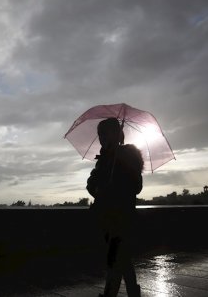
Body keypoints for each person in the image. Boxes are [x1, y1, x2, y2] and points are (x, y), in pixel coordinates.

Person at [87, 117, 143, 297]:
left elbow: (136, 186)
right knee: (123, 260)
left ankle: (109, 294)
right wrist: (97, 186)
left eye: (104, 133)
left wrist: (115, 183)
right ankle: (133, 292)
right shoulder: (103, 159)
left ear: (117, 134)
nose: (101, 137)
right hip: (106, 217)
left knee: (115, 259)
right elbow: (91, 184)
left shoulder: (129, 155)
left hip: (122, 217)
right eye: (99, 134)